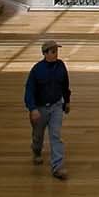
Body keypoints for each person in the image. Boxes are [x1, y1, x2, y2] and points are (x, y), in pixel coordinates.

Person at [24, 37, 71, 180]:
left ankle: (57, 167)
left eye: (56, 51)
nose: (55, 54)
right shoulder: (37, 70)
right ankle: (36, 151)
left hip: (56, 106)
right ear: (45, 53)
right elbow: (29, 91)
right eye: (52, 51)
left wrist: (67, 102)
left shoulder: (61, 66)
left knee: (55, 136)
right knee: (38, 136)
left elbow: (65, 85)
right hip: (40, 109)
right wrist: (33, 109)